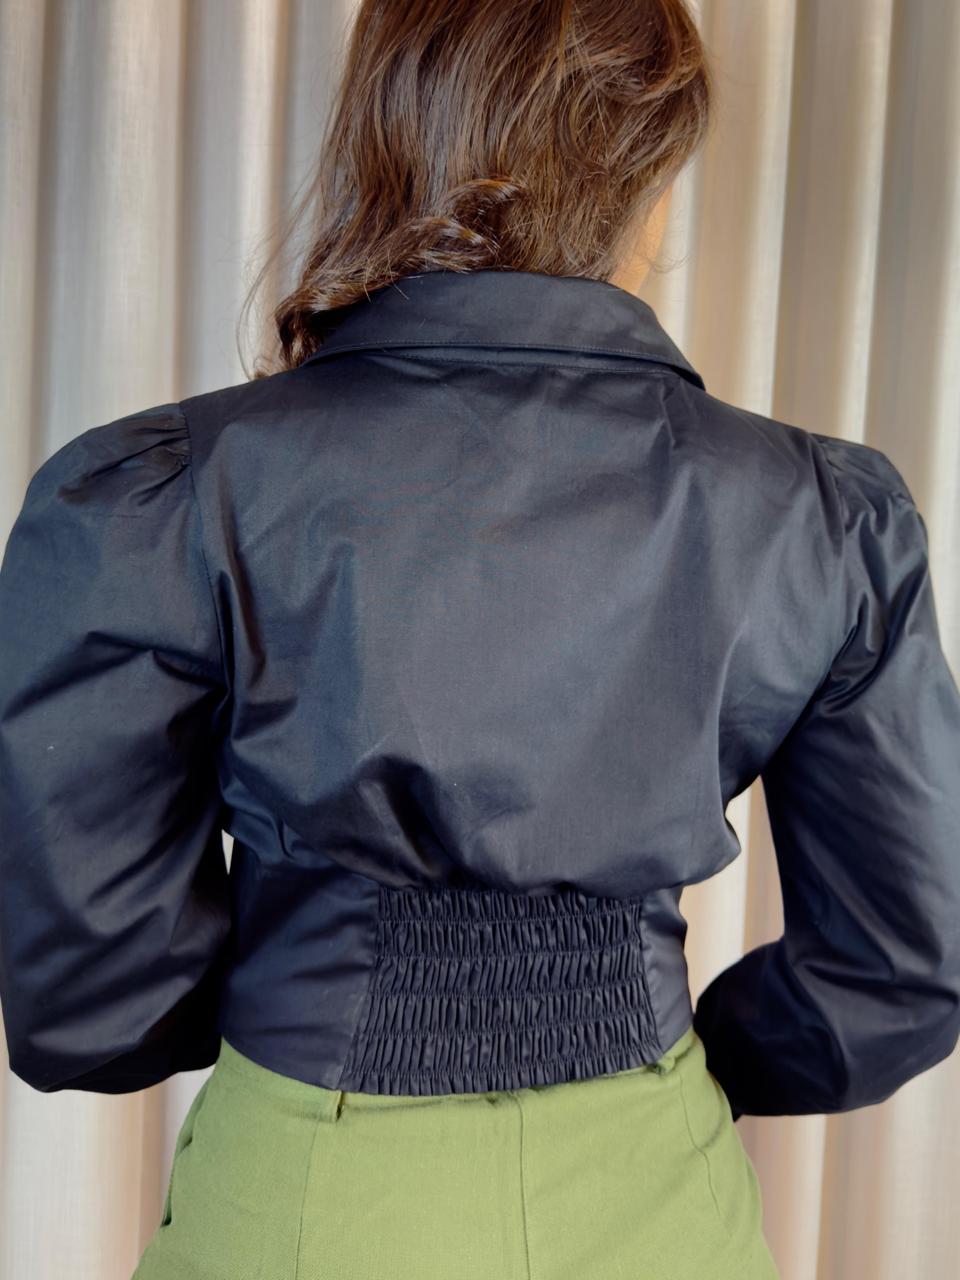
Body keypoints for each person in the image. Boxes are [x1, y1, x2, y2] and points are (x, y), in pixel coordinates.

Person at [1, 2, 958, 1278]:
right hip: (657, 1182)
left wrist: (307, 996)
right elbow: (900, 965)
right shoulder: (823, 514)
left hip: (308, 1189)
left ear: (386, 132)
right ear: (652, 166)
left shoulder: (161, 494)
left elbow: (91, 997)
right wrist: (672, 1058)